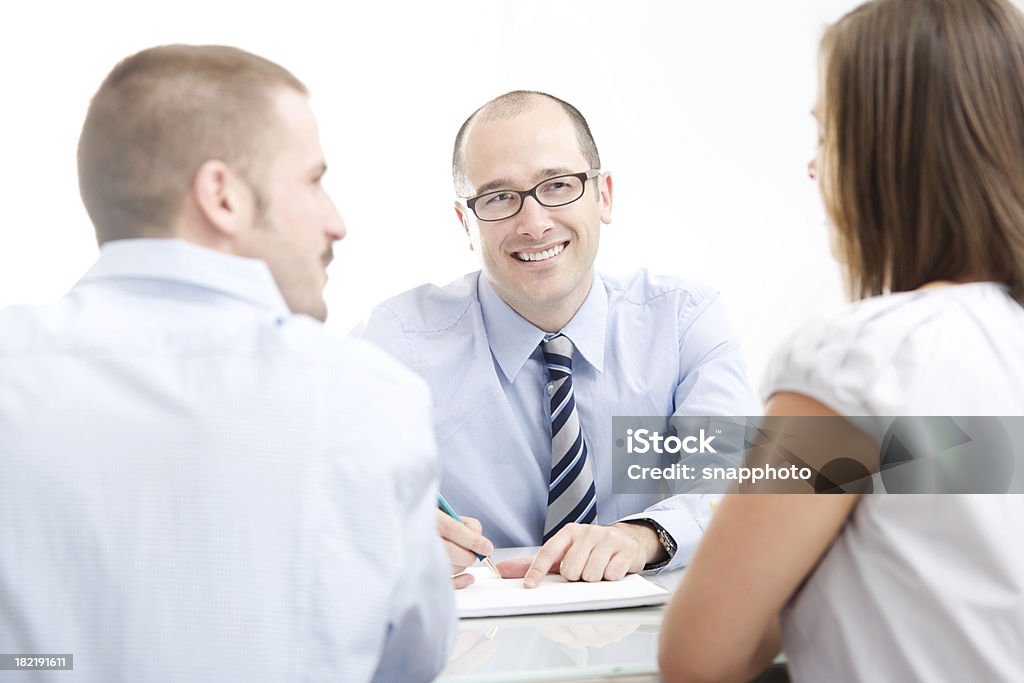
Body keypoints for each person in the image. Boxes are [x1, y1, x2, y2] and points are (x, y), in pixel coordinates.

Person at [0, 45, 453, 682]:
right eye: (313, 180)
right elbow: (408, 667)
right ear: (223, 196)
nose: (337, 222)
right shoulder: (369, 398)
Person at [659, 0, 1024, 680]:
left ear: (884, 153)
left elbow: (699, 655)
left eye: (826, 136)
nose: (811, 169)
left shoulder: (863, 360)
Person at [357, 90, 759, 586]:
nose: (535, 223)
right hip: (483, 643)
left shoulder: (683, 320)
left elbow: (738, 484)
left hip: (653, 630)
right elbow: (322, 491)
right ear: (466, 221)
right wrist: (384, 532)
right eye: (499, 198)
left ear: (603, 195)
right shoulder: (398, 342)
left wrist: (642, 535)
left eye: (558, 186)